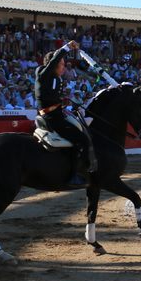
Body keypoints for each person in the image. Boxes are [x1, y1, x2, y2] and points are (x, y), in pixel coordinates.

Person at [35, 40, 96, 185]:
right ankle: (73, 175)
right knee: (82, 139)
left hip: (56, 113)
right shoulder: (45, 73)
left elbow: (51, 98)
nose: (64, 67)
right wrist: (67, 47)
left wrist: (64, 102)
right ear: (53, 64)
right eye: (62, 64)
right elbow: (54, 60)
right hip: (52, 117)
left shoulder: (54, 78)